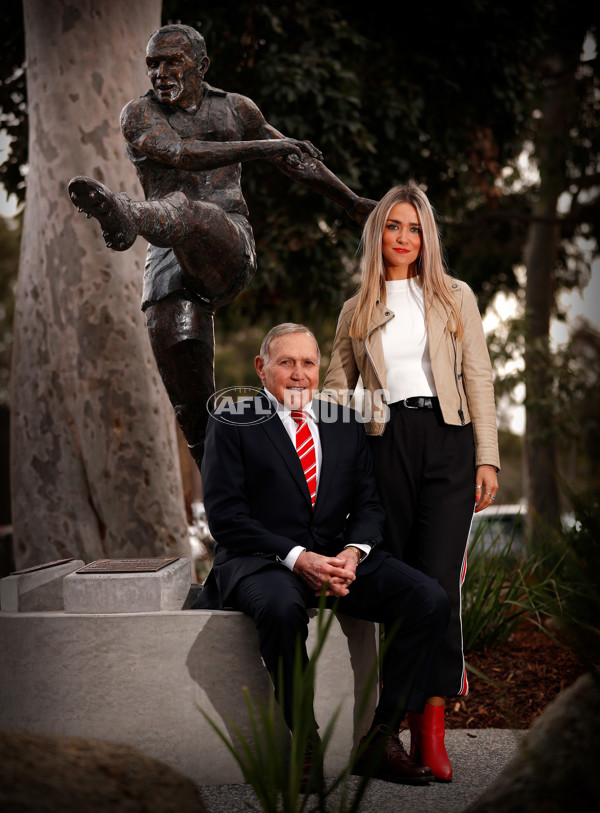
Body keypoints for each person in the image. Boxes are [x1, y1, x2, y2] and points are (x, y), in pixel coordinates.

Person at [68, 24, 374, 469]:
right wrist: (264, 148)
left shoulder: (235, 108)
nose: (160, 72)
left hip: (226, 245)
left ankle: (125, 215)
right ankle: (229, 513)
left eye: (172, 61)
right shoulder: (137, 114)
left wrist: (350, 201)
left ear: (202, 65)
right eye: (153, 63)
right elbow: (179, 153)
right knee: (195, 418)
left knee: (192, 211)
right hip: (167, 265)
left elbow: (292, 159)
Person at [192, 322, 450, 787]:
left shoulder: (343, 423)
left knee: (426, 598)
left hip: (335, 559)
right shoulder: (233, 420)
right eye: (285, 362)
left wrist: (352, 553)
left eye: (308, 363)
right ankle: (305, 744)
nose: (298, 374)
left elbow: (369, 505)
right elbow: (226, 517)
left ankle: (381, 739)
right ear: (261, 368)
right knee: (281, 607)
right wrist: (298, 558)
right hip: (260, 560)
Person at [322, 184, 500, 782]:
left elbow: (478, 374)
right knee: (404, 584)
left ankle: (431, 722)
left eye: (415, 227)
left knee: (441, 582)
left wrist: (487, 457)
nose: (404, 238)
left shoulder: (455, 297)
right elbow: (332, 392)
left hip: (449, 441)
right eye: (394, 226)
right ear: (379, 235)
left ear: (427, 236)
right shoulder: (357, 309)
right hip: (385, 444)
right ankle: (392, 731)